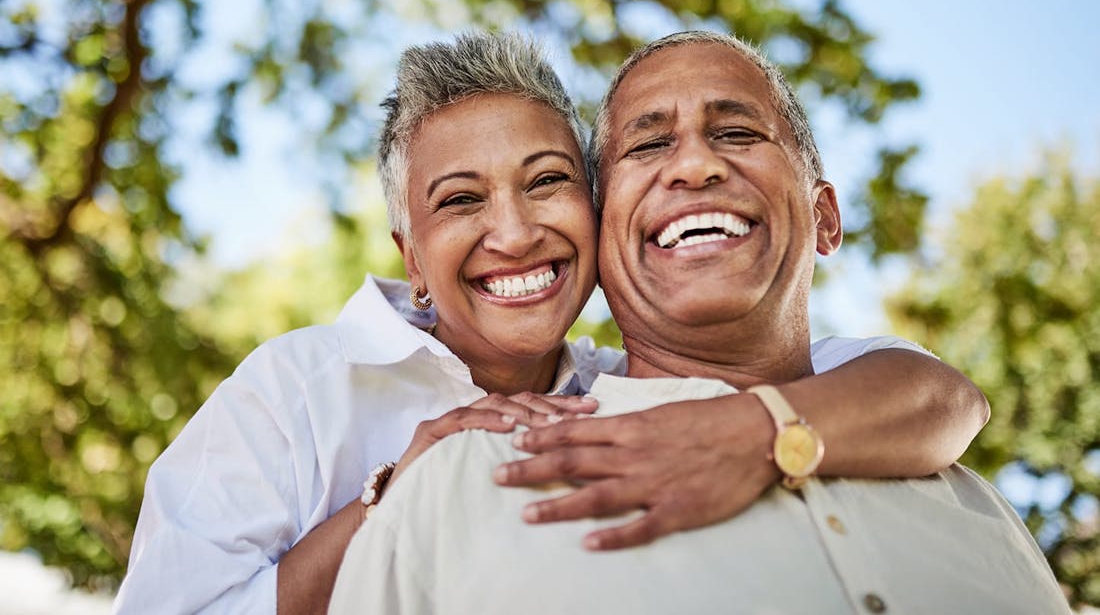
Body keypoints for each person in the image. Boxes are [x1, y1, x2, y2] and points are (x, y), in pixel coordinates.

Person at [114, 32, 987, 615]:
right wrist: (391, 495)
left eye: (547, 182)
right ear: (410, 255)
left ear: (601, 216)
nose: (516, 231)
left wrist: (758, 432)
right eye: (461, 200)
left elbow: (933, 393)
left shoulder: (625, 380)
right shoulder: (300, 386)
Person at [328, 31, 1070, 614]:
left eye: (738, 132)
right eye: (648, 144)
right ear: (599, 221)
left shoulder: (970, 496)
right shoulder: (460, 483)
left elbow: (946, 391)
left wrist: (763, 430)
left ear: (825, 216)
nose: (693, 166)